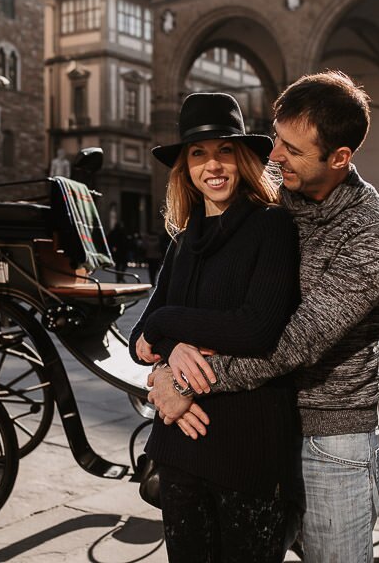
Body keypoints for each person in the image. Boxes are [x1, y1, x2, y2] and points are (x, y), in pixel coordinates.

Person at [144, 71, 379, 562]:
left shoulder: (375, 231)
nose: (274, 156)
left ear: (339, 158)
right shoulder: (270, 193)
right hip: (256, 424)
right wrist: (164, 356)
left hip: (331, 436)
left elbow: (291, 342)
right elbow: (196, 289)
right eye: (276, 139)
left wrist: (181, 382)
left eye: (291, 148)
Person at [130, 92, 300, 561]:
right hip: (180, 446)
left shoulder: (272, 227)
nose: (214, 165)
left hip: (247, 451)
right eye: (198, 154)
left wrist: (167, 328)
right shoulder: (183, 241)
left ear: (242, 158)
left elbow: (256, 329)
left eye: (225, 150)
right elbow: (137, 341)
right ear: (185, 168)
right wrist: (171, 352)